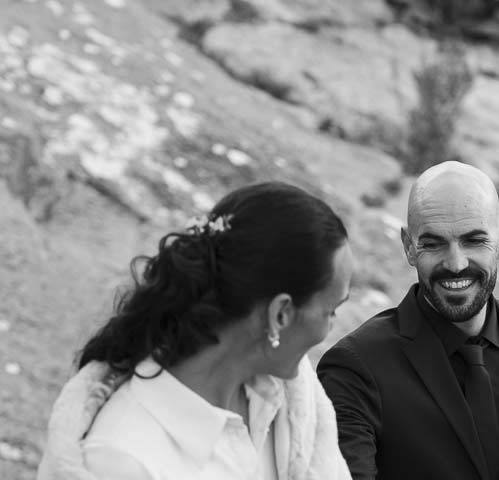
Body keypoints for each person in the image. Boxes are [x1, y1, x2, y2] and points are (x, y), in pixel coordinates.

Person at [36, 182, 354, 480]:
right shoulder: (122, 461)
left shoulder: (293, 400)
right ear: (280, 313)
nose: (330, 327)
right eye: (331, 311)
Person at [317, 161, 499, 480]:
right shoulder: (355, 367)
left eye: (473, 240)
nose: (455, 263)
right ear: (408, 247)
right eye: (434, 243)